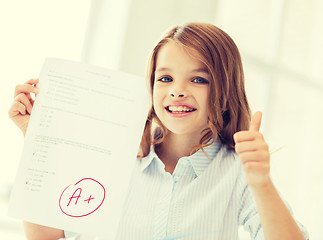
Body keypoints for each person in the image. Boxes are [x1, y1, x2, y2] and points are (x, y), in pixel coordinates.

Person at [9, 23, 308, 240]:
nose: (177, 91)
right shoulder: (116, 156)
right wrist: (36, 140)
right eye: (165, 78)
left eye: (198, 79)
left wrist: (261, 184)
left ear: (225, 90)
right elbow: (49, 237)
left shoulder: (236, 173)